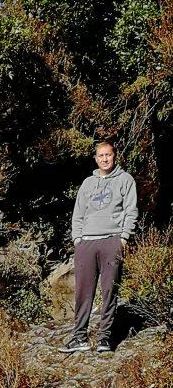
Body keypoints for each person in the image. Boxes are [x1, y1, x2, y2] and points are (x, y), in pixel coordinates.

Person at [64, 140, 138, 354]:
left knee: (109, 290)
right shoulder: (88, 183)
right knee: (83, 292)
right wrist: (78, 240)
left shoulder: (125, 180)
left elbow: (131, 211)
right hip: (86, 243)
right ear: (96, 159)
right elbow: (78, 214)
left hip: (111, 241)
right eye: (101, 156)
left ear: (114, 156)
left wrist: (123, 238)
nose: (105, 159)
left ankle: (104, 338)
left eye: (108, 155)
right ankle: (79, 337)